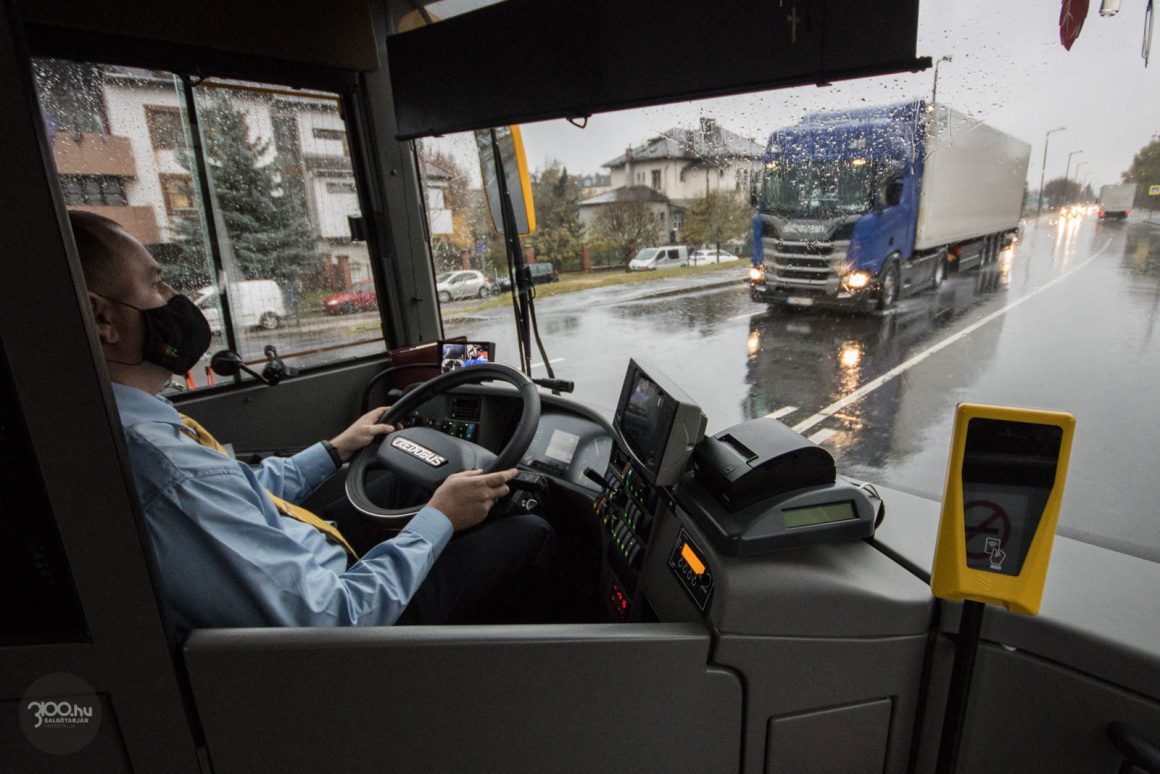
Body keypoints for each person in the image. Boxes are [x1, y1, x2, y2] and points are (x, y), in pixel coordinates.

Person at [70, 211, 555, 635]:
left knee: (390, 480)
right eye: (156, 283)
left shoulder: (137, 428)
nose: (173, 295)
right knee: (530, 529)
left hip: (305, 561)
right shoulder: (168, 471)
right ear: (101, 318)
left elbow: (243, 489)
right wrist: (441, 518)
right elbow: (334, 620)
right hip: (344, 635)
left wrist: (334, 450)